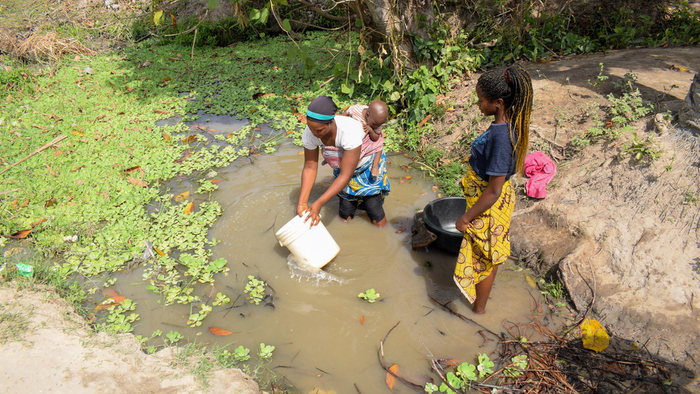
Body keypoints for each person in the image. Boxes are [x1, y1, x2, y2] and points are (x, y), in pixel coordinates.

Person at [453, 64, 533, 314]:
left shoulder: (501, 137)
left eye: (481, 100)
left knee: (485, 255)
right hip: (490, 200)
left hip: (489, 203)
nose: (478, 104)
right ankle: (480, 306)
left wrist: (465, 218)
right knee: (488, 251)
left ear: (498, 102)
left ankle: (479, 309)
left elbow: (494, 190)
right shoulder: (509, 124)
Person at [298, 96, 391, 227]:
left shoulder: (349, 131)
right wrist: (302, 203)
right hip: (343, 167)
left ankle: (382, 235)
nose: (313, 133)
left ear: (331, 122)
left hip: (365, 167)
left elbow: (345, 175)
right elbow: (310, 167)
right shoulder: (311, 132)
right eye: (310, 128)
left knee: (373, 208)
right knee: (345, 212)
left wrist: (319, 203)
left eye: (319, 130)